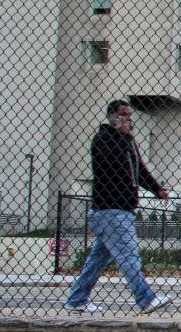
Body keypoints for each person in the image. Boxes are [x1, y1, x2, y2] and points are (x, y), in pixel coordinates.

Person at [65, 100, 173, 313]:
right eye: (124, 114)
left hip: (119, 210)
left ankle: (77, 299)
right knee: (128, 255)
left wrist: (157, 189)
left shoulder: (127, 141)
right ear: (112, 116)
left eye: (129, 115)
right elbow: (109, 160)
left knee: (98, 259)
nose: (128, 119)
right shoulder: (103, 139)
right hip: (110, 209)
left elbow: (139, 170)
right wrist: (122, 136)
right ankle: (146, 299)